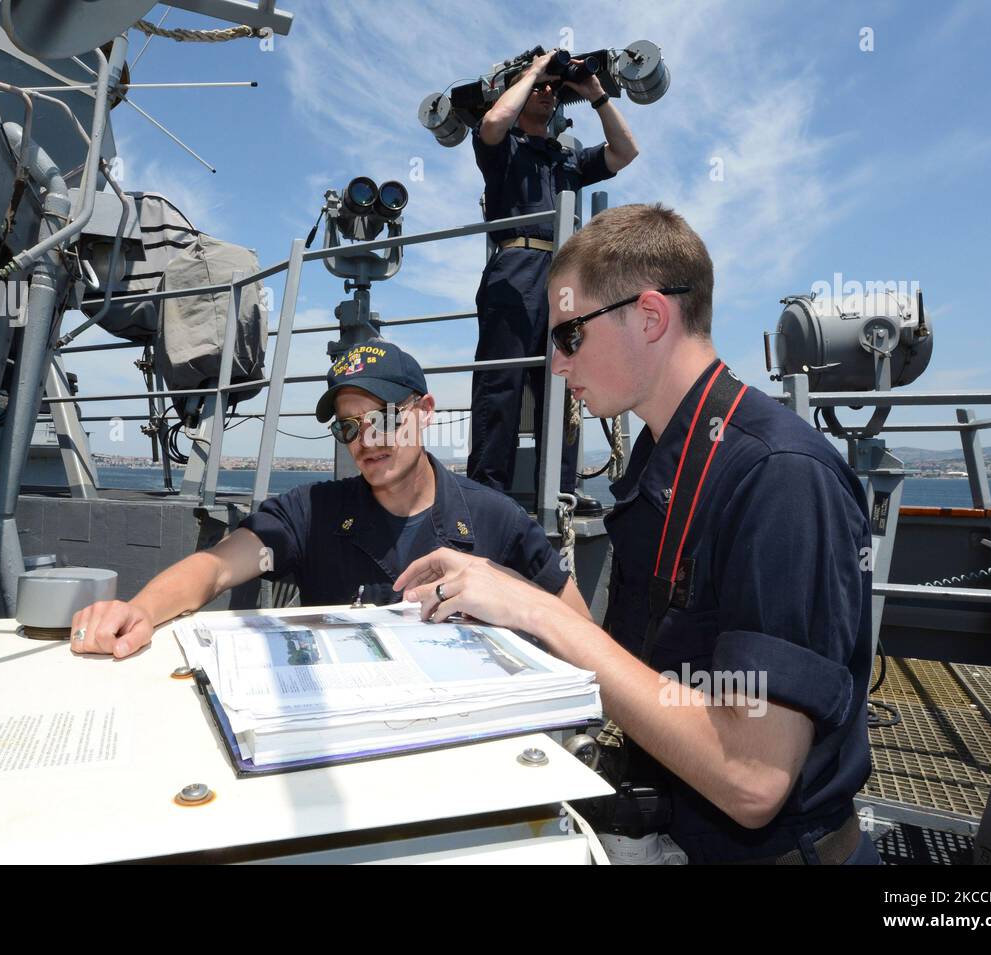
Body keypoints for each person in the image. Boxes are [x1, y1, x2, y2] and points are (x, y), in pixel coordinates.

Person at [395, 204, 879, 864]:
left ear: (650, 316)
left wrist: (541, 611)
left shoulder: (778, 477)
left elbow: (751, 776)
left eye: (569, 337)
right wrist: (505, 592)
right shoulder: (665, 458)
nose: (558, 367)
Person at [70, 340, 588, 658]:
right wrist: (140, 609)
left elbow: (577, 626)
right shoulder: (313, 512)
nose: (366, 440)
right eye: (349, 427)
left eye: (384, 418)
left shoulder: (494, 519)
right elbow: (217, 569)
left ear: (425, 411)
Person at [467, 48, 638, 513]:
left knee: (563, 382)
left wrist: (594, 93)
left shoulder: (565, 160)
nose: (547, 92)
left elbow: (626, 151)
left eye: (551, 89)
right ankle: (487, 493)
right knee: (501, 382)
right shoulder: (504, 149)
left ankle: (559, 488)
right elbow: (490, 124)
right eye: (539, 88)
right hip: (515, 269)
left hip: (563, 277)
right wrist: (534, 71)